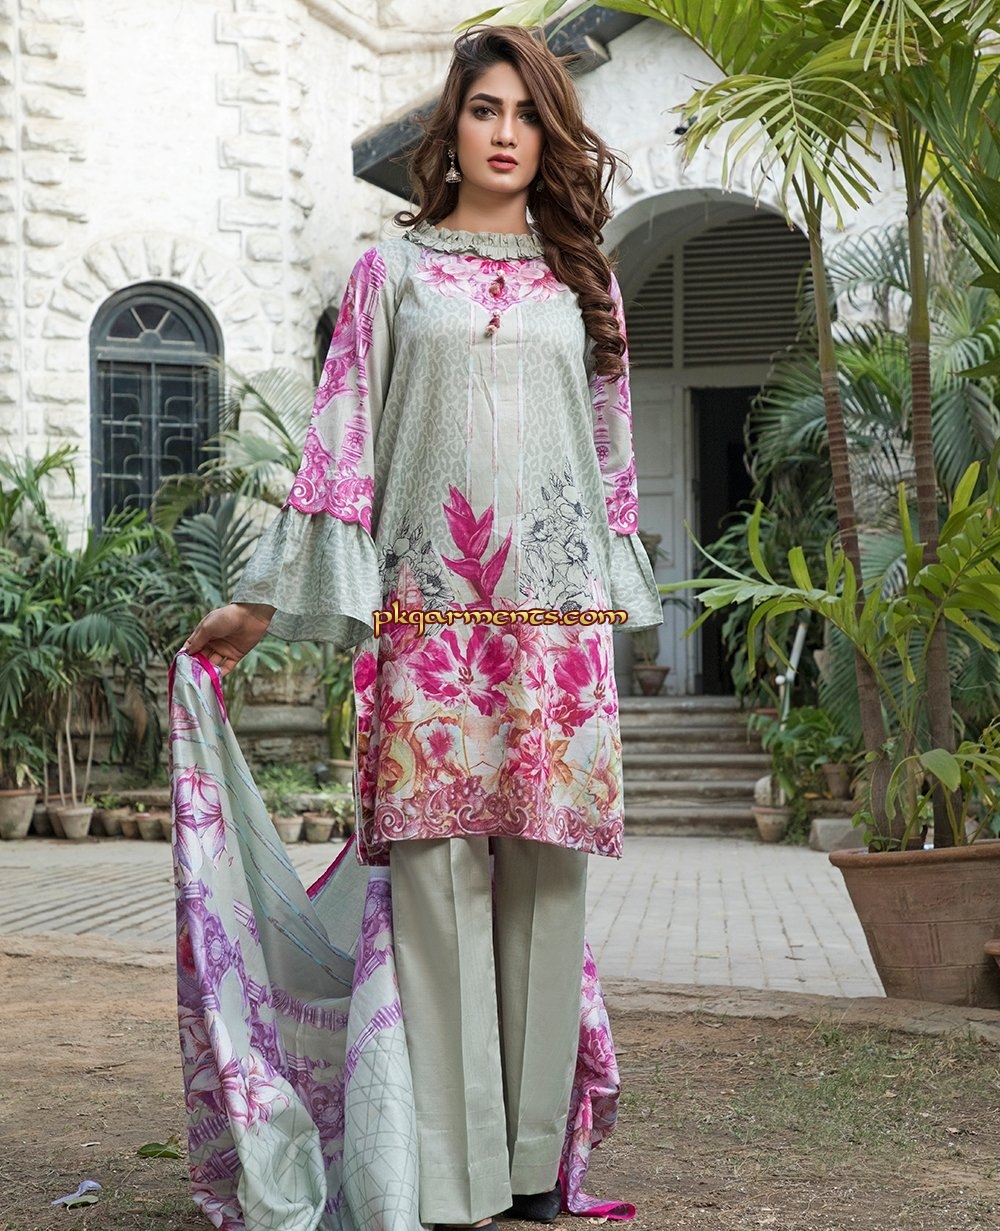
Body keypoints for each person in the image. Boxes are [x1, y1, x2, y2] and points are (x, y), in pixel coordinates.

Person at [184, 24, 661, 1231]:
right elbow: (341, 449)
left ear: (550, 136)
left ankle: (531, 1168)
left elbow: (612, 468)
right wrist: (260, 605)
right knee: (438, 891)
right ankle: (447, 1175)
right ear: (450, 130)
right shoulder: (389, 276)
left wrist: (609, 608)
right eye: (486, 109)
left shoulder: (582, 281)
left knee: (546, 884)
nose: (506, 133)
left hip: (552, 631)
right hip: (430, 623)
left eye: (528, 114)